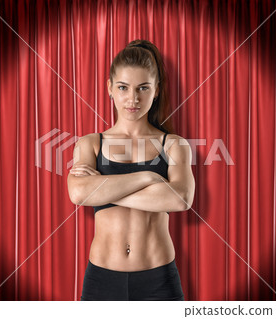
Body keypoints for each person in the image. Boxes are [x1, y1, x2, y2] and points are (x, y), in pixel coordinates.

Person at [67, 39, 195, 301]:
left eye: (143, 88)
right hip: (102, 278)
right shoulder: (90, 143)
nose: (133, 98)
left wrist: (102, 188)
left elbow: (180, 199)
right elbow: (79, 194)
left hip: (159, 279)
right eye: (123, 87)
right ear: (110, 88)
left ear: (156, 90)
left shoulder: (173, 144)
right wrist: (149, 177)